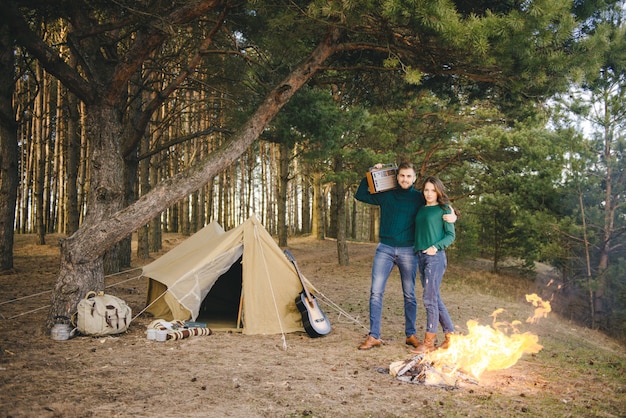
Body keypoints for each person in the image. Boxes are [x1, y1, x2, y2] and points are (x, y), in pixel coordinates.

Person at [355, 163, 456, 350]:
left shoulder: (419, 198)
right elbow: (360, 194)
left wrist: (453, 215)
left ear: (414, 178)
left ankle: (410, 335)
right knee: (376, 292)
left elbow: (439, 206)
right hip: (384, 248)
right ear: (396, 177)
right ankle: (374, 335)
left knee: (409, 295)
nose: (405, 179)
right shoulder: (387, 195)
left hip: (408, 251)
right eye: (402, 176)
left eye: (409, 177)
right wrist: (370, 173)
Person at [411, 176, 456, 354]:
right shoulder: (421, 209)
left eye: (432, 190)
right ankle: (451, 337)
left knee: (429, 300)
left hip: (435, 258)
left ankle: (429, 342)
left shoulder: (444, 209)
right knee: (434, 298)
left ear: (438, 191)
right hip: (421, 257)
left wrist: (435, 247)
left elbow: (450, 236)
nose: (429, 193)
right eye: (426, 190)